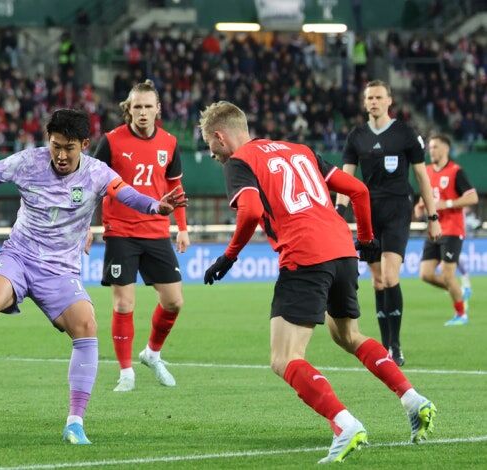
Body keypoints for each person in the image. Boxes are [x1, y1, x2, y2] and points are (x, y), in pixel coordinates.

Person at [0, 109, 185, 445]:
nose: (60, 155)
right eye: (55, 145)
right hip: (20, 256)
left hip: (60, 270)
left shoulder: (97, 173)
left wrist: (156, 207)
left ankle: (75, 423)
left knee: (86, 325)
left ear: (84, 145)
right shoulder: (27, 162)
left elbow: (126, 194)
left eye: (68, 148)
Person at [199, 101, 436, 463]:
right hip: (342, 249)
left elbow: (250, 210)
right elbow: (358, 190)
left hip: (304, 254)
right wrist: (366, 239)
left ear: (220, 136)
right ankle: (413, 400)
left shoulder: (240, 162)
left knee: (284, 358)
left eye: (209, 146)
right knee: (348, 335)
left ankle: (344, 424)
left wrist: (229, 257)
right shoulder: (301, 150)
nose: (211, 154)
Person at [90, 79, 189, 392]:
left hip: (156, 231)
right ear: (128, 110)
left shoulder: (170, 143)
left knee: (174, 301)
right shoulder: (111, 141)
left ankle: (152, 353)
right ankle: (126, 372)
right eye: (137, 107)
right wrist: (85, 226)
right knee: (124, 304)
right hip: (121, 231)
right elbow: (91, 185)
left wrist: (182, 228)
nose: (143, 112)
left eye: (148, 106)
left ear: (158, 109)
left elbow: (175, 188)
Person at [334, 80, 441, 366]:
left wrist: (433, 217)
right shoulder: (356, 136)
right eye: (369, 98)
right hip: (368, 212)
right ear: (364, 102)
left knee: (391, 276)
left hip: (397, 210)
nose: (374, 102)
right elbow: (345, 178)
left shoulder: (405, 133)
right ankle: (384, 347)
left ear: (389, 100)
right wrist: (338, 213)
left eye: (379, 97)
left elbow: (422, 177)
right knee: (378, 280)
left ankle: (395, 345)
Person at [415, 134, 478, 326]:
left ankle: (461, 314)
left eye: (435, 147)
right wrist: (420, 206)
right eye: (430, 147)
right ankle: (459, 290)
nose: (431, 150)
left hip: (452, 228)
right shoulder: (426, 171)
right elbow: (427, 196)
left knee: (448, 274)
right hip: (434, 230)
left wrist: (447, 203)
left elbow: (473, 197)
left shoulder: (456, 171)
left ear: (446, 149)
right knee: (425, 274)